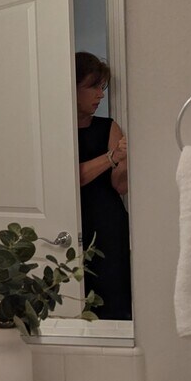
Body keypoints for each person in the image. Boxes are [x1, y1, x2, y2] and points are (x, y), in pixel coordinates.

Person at [75, 51, 132, 319]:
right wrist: (111, 157)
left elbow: (120, 186)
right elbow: (74, 178)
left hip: (108, 222)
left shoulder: (108, 127)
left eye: (102, 88)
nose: (100, 95)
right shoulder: (56, 131)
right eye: (93, 87)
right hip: (73, 222)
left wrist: (126, 161)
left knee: (113, 294)